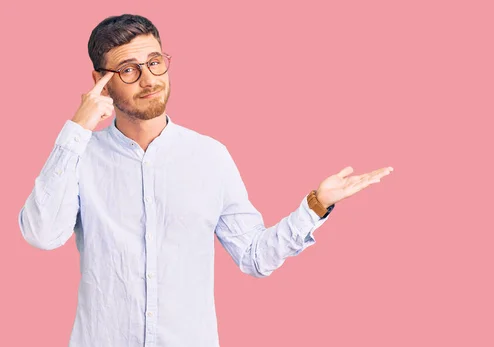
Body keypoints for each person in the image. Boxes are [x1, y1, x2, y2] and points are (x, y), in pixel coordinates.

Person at [18, 13, 393, 347]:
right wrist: (77, 127)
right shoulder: (79, 156)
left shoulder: (210, 157)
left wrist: (315, 205)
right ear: (100, 80)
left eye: (155, 62)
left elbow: (253, 257)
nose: (148, 79)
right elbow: (42, 234)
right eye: (129, 69)